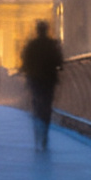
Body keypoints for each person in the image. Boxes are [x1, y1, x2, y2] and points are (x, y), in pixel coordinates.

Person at [18, 21, 64, 152]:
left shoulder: (31, 45)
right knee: (47, 104)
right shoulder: (52, 44)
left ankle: (37, 126)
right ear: (47, 30)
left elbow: (25, 60)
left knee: (36, 101)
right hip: (49, 79)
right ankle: (45, 130)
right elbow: (59, 62)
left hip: (34, 79)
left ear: (37, 31)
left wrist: (25, 70)